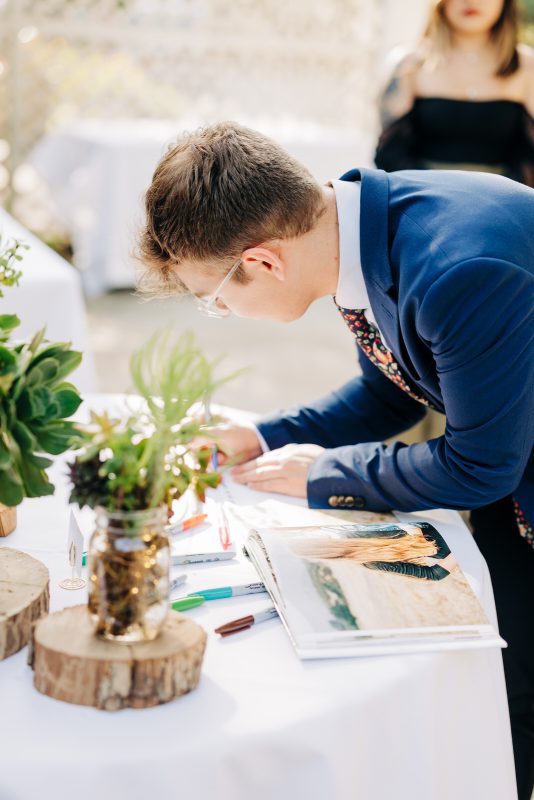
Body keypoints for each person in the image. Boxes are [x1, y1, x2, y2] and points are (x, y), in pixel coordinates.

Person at [138, 121, 534, 798]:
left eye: (216, 299)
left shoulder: (457, 270)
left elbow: (480, 466)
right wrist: (264, 436)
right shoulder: (358, 232)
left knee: (510, 705)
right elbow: (391, 393)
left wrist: (330, 475)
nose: (224, 310)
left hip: (513, 477)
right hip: (512, 466)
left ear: (262, 262)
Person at [375, 0, 534, 187]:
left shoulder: (528, 67)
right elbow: (389, 155)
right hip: (423, 204)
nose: (471, 1)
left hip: (507, 207)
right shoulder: (408, 65)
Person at [291, 522, 457, 581]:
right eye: (310, 536)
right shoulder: (369, 560)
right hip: (455, 543)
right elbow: (433, 574)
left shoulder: (342, 523)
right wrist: (458, 552)